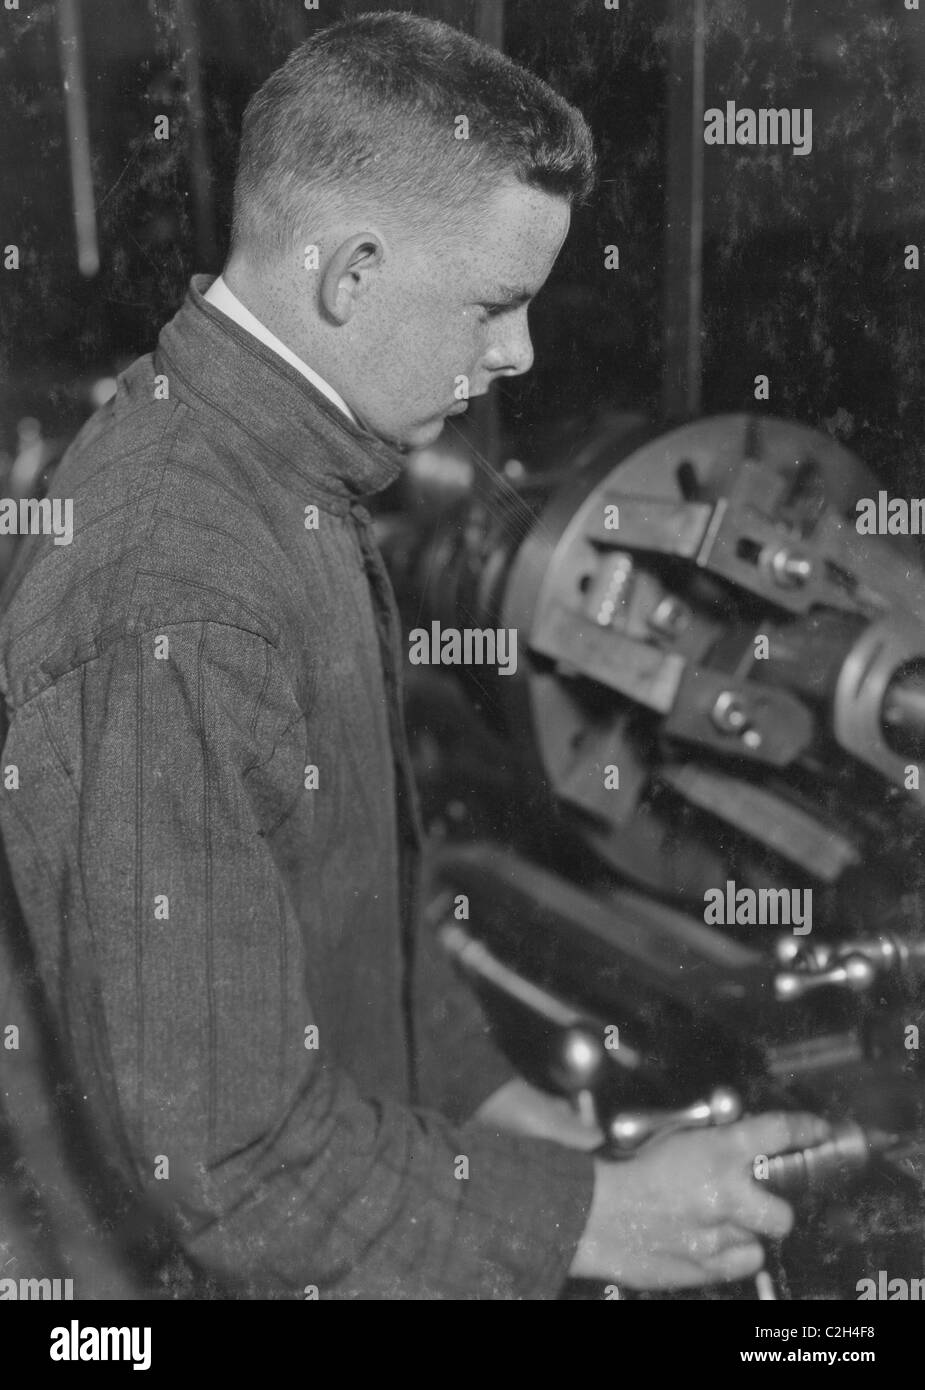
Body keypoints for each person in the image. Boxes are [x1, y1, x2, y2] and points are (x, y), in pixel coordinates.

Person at [0, 10, 825, 1299]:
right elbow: (232, 1164)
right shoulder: (177, 581)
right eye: (495, 305)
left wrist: (494, 1110)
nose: (520, 354)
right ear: (352, 275)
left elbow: (345, 896)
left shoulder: (281, 475)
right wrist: (588, 1222)